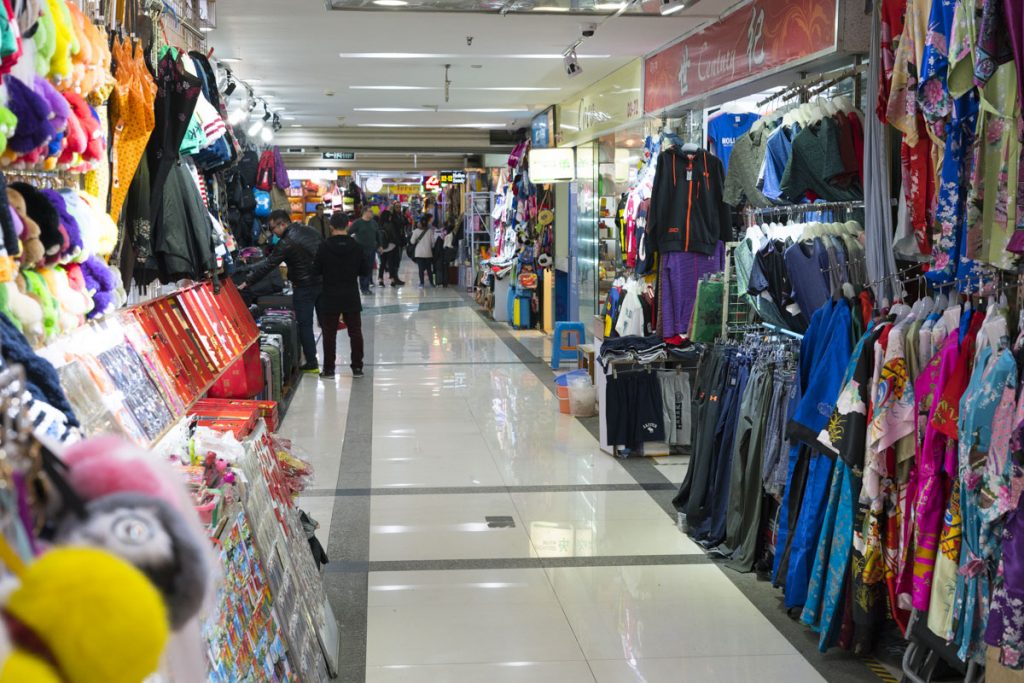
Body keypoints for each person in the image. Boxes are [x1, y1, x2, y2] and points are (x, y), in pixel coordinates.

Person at [240, 209, 322, 373]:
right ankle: (330, 365)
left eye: (273, 228)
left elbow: (268, 265)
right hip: (322, 283)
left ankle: (312, 363)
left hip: (303, 287)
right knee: (326, 323)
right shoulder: (310, 231)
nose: (273, 233)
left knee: (305, 324)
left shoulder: (286, 242)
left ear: (282, 224)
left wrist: (247, 282)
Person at [315, 212, 367, 378]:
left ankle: (329, 369)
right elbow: (364, 271)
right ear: (348, 226)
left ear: (331, 226)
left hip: (329, 294)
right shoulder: (357, 247)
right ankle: (357, 367)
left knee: (329, 333)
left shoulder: (323, 247)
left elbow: (316, 270)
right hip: (351, 293)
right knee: (355, 332)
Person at [348, 207, 381, 295]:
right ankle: (363, 288)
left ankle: (366, 287)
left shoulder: (373, 223)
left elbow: (377, 234)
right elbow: (348, 232)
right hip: (360, 250)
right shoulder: (357, 223)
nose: (372, 213)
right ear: (365, 212)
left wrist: (380, 245)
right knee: (363, 269)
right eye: (370, 211)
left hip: (371, 249)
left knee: (369, 268)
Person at [379, 208, 406, 287]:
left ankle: (380, 280)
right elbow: (394, 236)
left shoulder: (379, 225)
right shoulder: (390, 225)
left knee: (382, 264)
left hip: (382, 247)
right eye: (390, 216)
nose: (390, 218)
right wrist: (399, 243)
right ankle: (392, 280)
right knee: (391, 263)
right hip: (391, 246)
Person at [410, 214, 434, 288]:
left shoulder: (416, 231)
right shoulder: (429, 231)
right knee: (429, 269)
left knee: (421, 269)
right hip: (428, 253)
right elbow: (433, 242)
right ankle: (431, 283)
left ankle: (422, 283)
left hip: (419, 253)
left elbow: (412, 242)